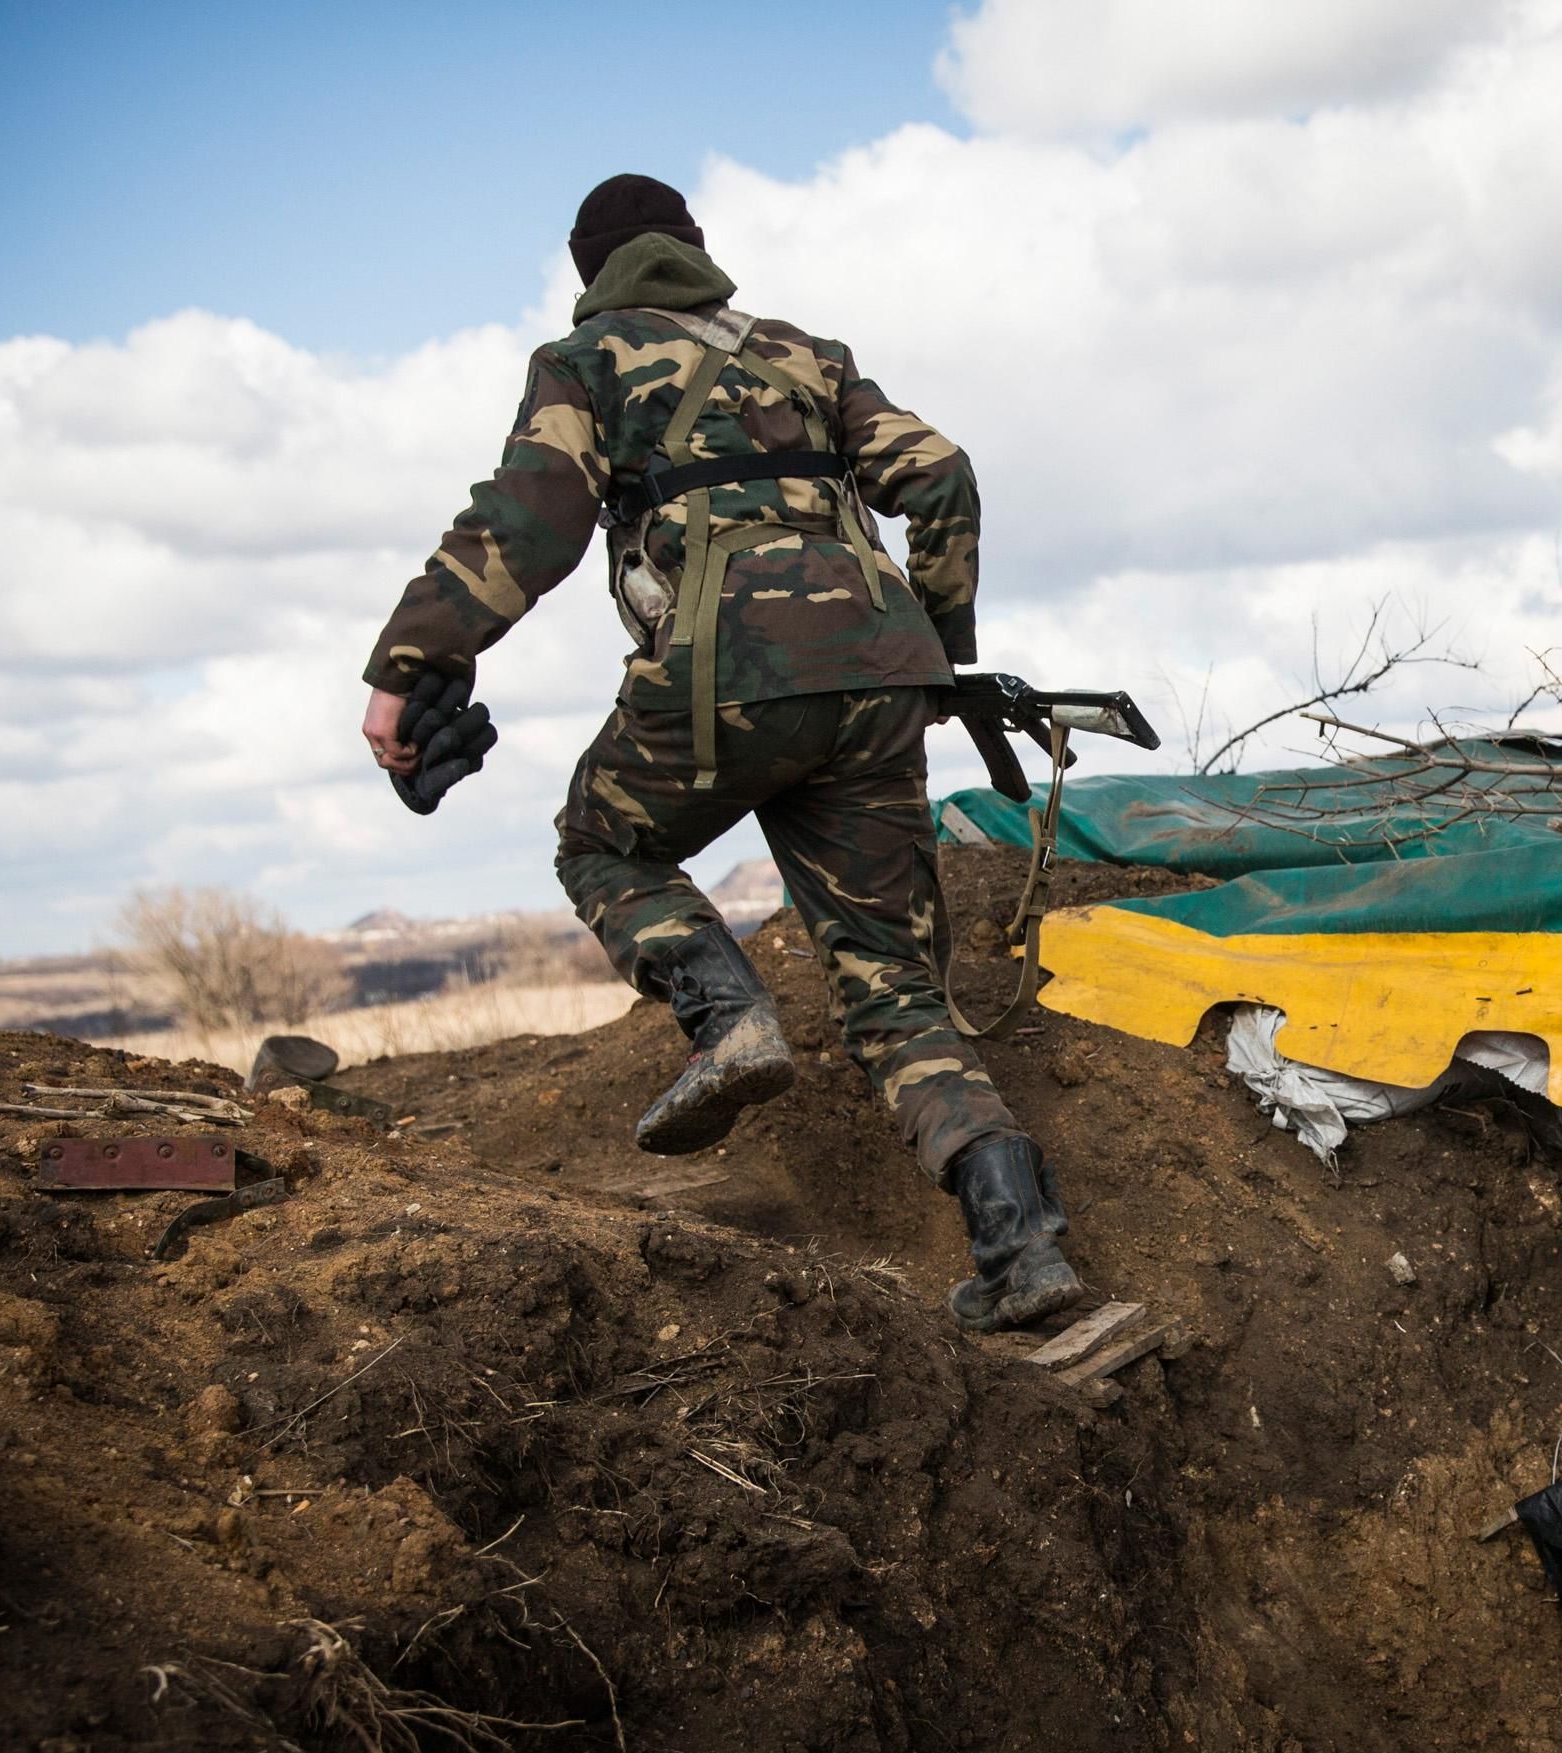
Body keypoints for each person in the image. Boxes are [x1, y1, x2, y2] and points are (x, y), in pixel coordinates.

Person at [358, 173, 1082, 1332]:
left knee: (603, 841)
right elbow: (940, 470)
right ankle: (1022, 1248)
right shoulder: (809, 354)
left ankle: (729, 1020)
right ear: (697, 248)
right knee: (896, 989)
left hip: (722, 675)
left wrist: (410, 660)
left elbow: (527, 520)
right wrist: (940, 657)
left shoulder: (586, 364)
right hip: (879, 673)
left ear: (590, 273)